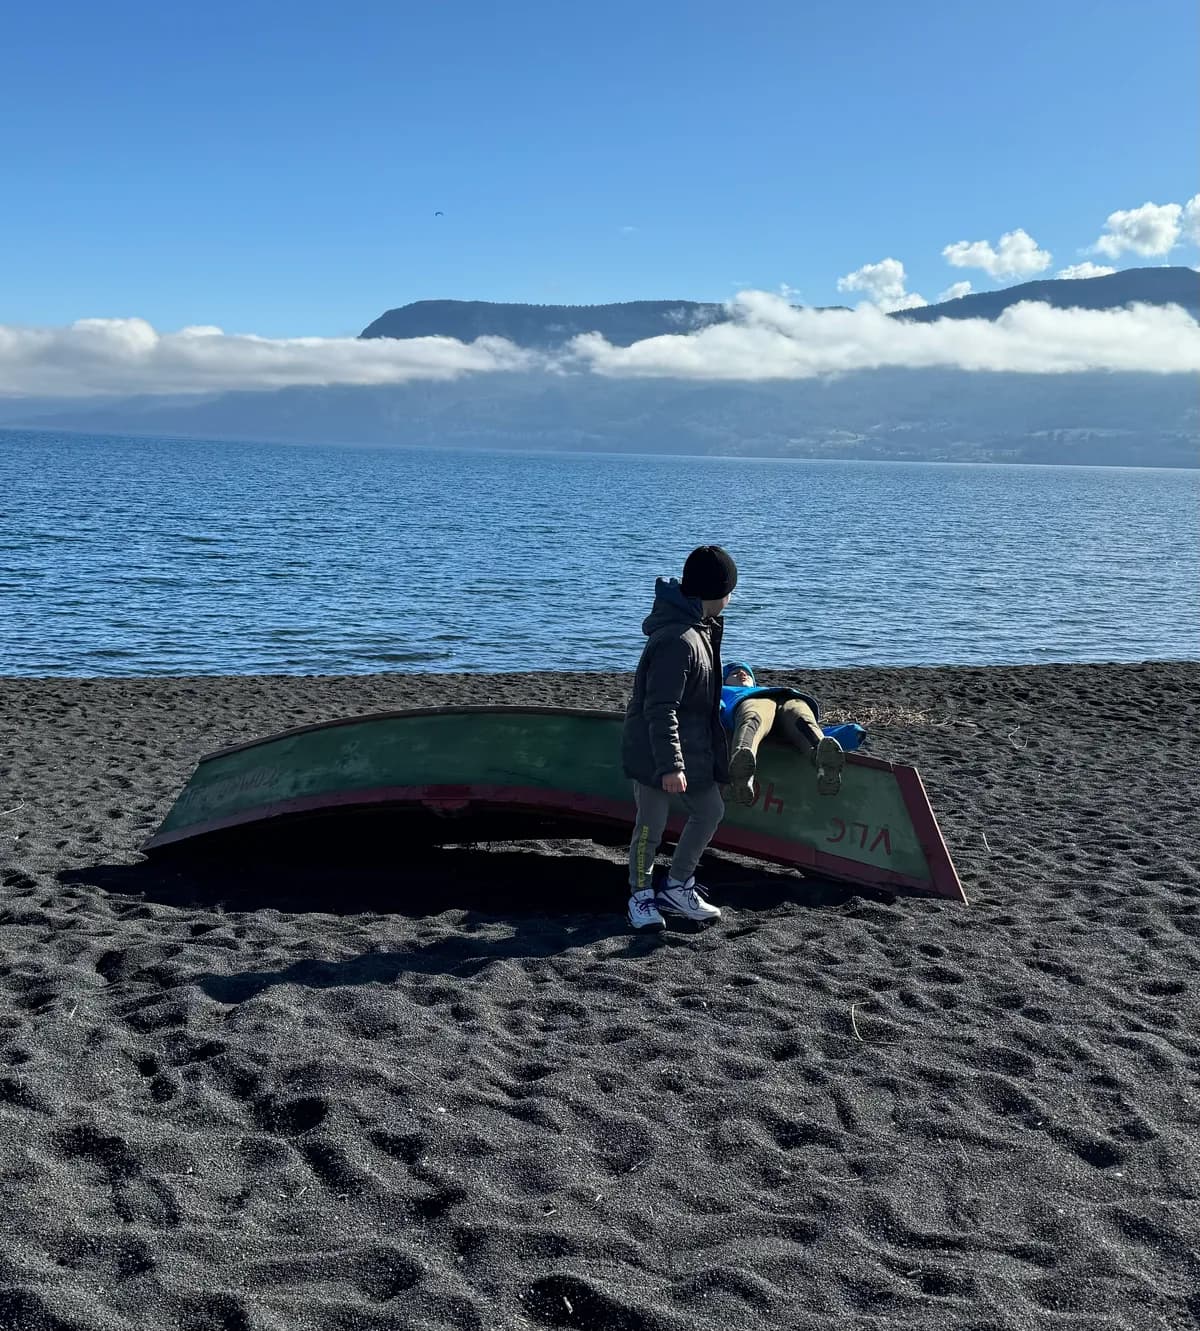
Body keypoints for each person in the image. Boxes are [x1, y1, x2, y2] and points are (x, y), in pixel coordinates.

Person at [621, 545, 737, 930]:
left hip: (690, 750)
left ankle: (676, 885)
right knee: (650, 828)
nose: (732, 598)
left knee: (710, 810)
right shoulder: (677, 639)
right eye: (729, 591)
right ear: (715, 592)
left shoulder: (701, 629)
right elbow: (660, 708)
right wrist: (670, 765)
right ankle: (640, 896)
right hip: (656, 752)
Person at [720, 661, 846, 804]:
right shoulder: (723, 691)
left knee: (802, 717)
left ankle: (822, 759)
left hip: (787, 699)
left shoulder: (765, 689)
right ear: (724, 680)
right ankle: (742, 767)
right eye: (735, 673)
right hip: (753, 702)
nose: (742, 673)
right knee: (752, 716)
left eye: (747, 673)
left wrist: (847, 733)